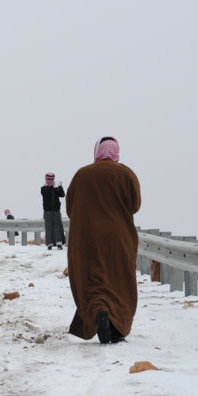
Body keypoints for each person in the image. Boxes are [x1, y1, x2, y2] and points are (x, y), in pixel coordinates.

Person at [66, 136, 141, 344]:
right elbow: (135, 205)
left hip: (87, 236)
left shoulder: (82, 174)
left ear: (97, 151)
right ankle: (116, 327)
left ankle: (99, 309)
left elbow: (70, 207)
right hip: (119, 237)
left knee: (91, 278)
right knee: (119, 279)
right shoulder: (126, 173)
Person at [41, 172, 65, 250]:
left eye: (52, 179)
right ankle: (49, 243)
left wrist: (59, 187)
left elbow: (62, 194)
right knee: (49, 227)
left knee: (58, 226)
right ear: (46, 179)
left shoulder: (56, 187)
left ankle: (59, 243)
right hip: (47, 211)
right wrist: (53, 187)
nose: (51, 180)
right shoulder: (44, 188)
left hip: (56, 210)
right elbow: (47, 194)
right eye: (49, 179)